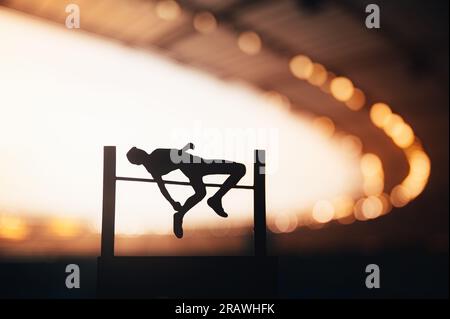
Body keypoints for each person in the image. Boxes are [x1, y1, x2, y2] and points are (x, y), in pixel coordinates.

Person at [126, 143, 246, 238]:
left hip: (193, 167)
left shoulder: (152, 167)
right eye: (138, 152)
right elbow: (177, 156)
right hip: (197, 165)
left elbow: (176, 158)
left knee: (200, 193)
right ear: (138, 160)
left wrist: (172, 202)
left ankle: (181, 214)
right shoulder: (155, 157)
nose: (141, 151)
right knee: (240, 169)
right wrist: (172, 202)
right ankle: (214, 199)